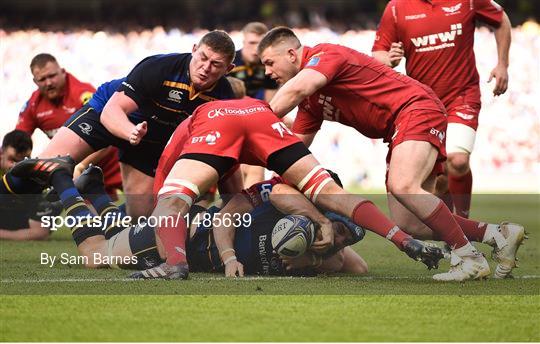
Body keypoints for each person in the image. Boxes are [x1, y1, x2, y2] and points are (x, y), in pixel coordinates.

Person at [257, 27, 523, 281]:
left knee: (403, 184)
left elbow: (297, 88)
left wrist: (252, 119)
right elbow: (292, 153)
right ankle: (497, 235)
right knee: (411, 223)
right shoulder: (309, 103)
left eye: (270, 63)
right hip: (399, 129)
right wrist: (270, 185)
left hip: (414, 109)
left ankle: (469, 258)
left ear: (292, 54)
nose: (268, 72)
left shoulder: (325, 55)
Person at [86, 96, 443, 280]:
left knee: (153, 212)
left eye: (344, 237)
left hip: (239, 122)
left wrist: (317, 258)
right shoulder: (277, 194)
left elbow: (358, 267)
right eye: (338, 232)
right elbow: (232, 216)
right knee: (94, 256)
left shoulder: (326, 243)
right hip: (198, 236)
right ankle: (66, 186)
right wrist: (230, 259)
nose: (339, 239)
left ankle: (404, 241)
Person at [5, 31, 237, 219]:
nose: (205, 68)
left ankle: (94, 193)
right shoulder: (159, 68)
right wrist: (130, 131)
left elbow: (222, 150)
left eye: (216, 64)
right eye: (203, 58)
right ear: (194, 49)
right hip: (107, 115)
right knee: (42, 170)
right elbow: (112, 112)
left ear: (228, 69)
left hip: (149, 140)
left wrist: (233, 205)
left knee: (140, 217)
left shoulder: (224, 97)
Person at [371, 0, 512, 221]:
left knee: (457, 160)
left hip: (461, 96)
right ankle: (450, 229)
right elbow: (378, 52)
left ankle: (464, 221)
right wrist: (388, 59)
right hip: (422, 103)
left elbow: (501, 20)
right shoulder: (397, 7)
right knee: (440, 175)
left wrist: (503, 64)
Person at [15, 53, 122, 198]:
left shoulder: (83, 94)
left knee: (140, 208)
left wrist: (81, 166)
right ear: (35, 81)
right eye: (42, 79)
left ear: (63, 72)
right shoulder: (33, 105)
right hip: (77, 171)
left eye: (52, 76)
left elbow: (108, 134)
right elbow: (19, 140)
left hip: (113, 164)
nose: (48, 83)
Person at [229, 22, 279, 187]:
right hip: (229, 117)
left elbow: (271, 103)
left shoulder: (268, 65)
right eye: (251, 43)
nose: (255, 49)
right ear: (243, 42)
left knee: (255, 168)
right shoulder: (229, 62)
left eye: (260, 44)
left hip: (254, 116)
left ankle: (279, 176)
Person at [0, 130, 62, 240]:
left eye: (22, 161)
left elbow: (39, 232)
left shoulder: (36, 179)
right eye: (12, 160)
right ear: (2, 152)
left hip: (23, 222)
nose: (16, 167)